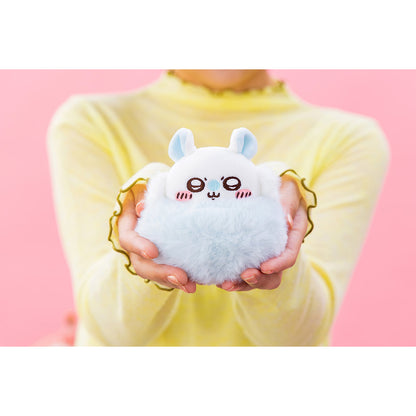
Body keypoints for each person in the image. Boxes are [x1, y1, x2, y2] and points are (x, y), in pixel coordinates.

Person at [47, 70, 390, 346]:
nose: (212, 194)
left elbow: (296, 337)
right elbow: (111, 330)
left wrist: (270, 193)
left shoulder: (348, 138)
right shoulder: (90, 121)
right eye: (197, 187)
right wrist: (155, 193)